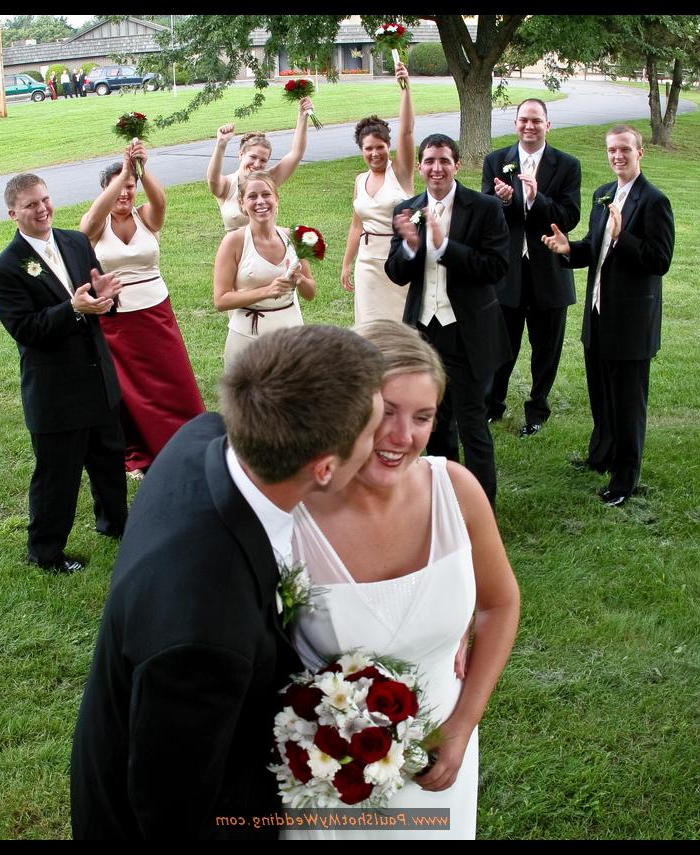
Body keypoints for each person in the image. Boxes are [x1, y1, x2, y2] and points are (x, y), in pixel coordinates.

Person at [70, 324, 387, 839]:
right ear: (324, 468)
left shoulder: (201, 438)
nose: (381, 443)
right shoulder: (204, 637)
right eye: (372, 432)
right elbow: (174, 812)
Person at [284, 319, 520, 840]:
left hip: (440, 763)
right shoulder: (292, 513)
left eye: (422, 416)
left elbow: (500, 604)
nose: (402, 437)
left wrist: (461, 728)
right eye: (386, 412)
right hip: (332, 778)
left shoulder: (455, 490)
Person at [0, 173, 127, 574]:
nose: (42, 209)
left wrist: (105, 298)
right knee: (57, 478)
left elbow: (99, 299)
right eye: (31, 205)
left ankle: (116, 525)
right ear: (13, 213)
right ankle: (45, 554)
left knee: (109, 461)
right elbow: (27, 330)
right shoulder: (5, 269)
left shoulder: (76, 242)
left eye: (45, 199)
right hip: (56, 391)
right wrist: (75, 308)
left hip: (98, 379)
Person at [541, 124, 675, 507]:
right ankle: (600, 455)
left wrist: (622, 238)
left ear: (640, 153)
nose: (617, 156)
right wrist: (569, 249)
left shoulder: (654, 201)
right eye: (612, 150)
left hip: (631, 323)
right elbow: (593, 249)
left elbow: (659, 260)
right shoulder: (603, 194)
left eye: (624, 150)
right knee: (600, 394)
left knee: (628, 403)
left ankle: (624, 479)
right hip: (598, 314)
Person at [385, 134, 511, 508]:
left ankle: (480, 509)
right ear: (421, 167)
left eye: (443, 160)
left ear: (456, 164)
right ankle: (442, 501)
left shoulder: (485, 208)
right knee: (434, 424)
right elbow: (397, 273)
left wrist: (444, 248)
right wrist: (409, 246)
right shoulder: (407, 210)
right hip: (423, 334)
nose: (436, 168)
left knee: (473, 425)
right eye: (429, 161)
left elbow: (496, 268)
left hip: (468, 333)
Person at [79, 140, 205, 480]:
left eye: (130, 188)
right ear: (107, 190)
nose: (125, 195)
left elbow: (160, 200)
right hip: (116, 320)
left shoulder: (147, 217)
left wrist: (140, 169)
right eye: (118, 188)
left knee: (173, 378)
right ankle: (141, 451)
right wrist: (122, 171)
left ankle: (187, 440)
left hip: (155, 311)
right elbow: (92, 217)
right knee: (131, 391)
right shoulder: (95, 226)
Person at [481, 98, 582, 437]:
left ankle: (537, 410)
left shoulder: (567, 165)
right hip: (507, 272)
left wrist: (537, 200)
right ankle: (492, 405)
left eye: (536, 121)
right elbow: (485, 214)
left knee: (545, 351)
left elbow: (569, 217)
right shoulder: (496, 161)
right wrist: (505, 200)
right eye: (523, 120)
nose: (529, 126)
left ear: (547, 125)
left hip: (549, 274)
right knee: (500, 346)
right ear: (515, 124)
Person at [213, 171, 315, 366]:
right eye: (252, 196)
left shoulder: (294, 237)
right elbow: (220, 300)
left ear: (276, 199)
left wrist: (301, 280)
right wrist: (267, 291)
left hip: (291, 335)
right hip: (247, 337)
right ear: (242, 204)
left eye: (266, 194)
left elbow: (310, 293)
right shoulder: (234, 242)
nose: (260, 201)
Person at [340, 61, 416, 324]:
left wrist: (404, 88)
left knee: (400, 322)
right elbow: (355, 227)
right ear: (361, 150)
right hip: (367, 262)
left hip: (398, 258)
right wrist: (347, 263)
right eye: (369, 148)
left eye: (380, 147)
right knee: (370, 324)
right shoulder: (360, 180)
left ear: (388, 146)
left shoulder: (401, 172)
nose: (375, 153)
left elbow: (407, 130)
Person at [207, 96, 314, 231]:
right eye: (253, 157)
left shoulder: (270, 179)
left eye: (263, 160)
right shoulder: (226, 185)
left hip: (269, 248)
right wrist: (221, 144)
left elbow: (296, 153)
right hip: (238, 250)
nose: (257, 164)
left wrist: (302, 116)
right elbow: (212, 178)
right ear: (241, 154)